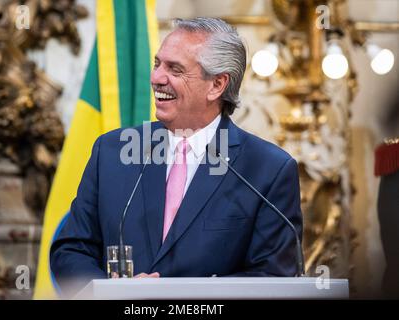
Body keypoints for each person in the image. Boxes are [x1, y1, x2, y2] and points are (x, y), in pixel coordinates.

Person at [50, 17, 303, 294]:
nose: (157, 78)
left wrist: (182, 298)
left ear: (217, 85)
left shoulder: (267, 170)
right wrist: (112, 294)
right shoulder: (112, 152)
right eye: (158, 64)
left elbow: (274, 277)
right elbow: (70, 250)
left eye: (175, 69)